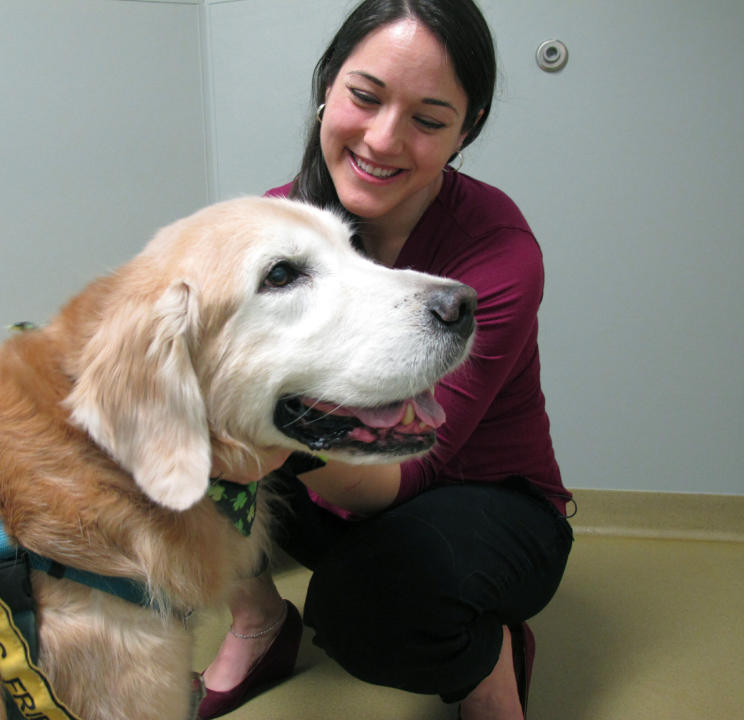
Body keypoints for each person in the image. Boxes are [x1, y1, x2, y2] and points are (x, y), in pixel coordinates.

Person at [199, 1, 574, 719]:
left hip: (474, 495)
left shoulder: (497, 254)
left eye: (429, 120)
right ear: (327, 90)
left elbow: (413, 470)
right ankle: (257, 619)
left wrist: (270, 442)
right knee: (172, 428)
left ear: (467, 131)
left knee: (364, 612)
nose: (381, 139)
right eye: (364, 97)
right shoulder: (277, 226)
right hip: (326, 481)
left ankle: (489, 669)